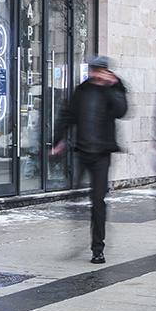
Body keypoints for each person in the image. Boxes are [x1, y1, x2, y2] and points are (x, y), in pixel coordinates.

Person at [53, 55, 129, 264]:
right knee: (76, 196)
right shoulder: (82, 90)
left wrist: (113, 87)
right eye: (93, 70)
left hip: (102, 154)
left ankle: (98, 248)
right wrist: (58, 140)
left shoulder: (114, 90)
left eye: (99, 70)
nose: (95, 74)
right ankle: (78, 235)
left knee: (97, 201)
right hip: (83, 152)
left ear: (106, 71)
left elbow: (122, 111)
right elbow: (67, 116)